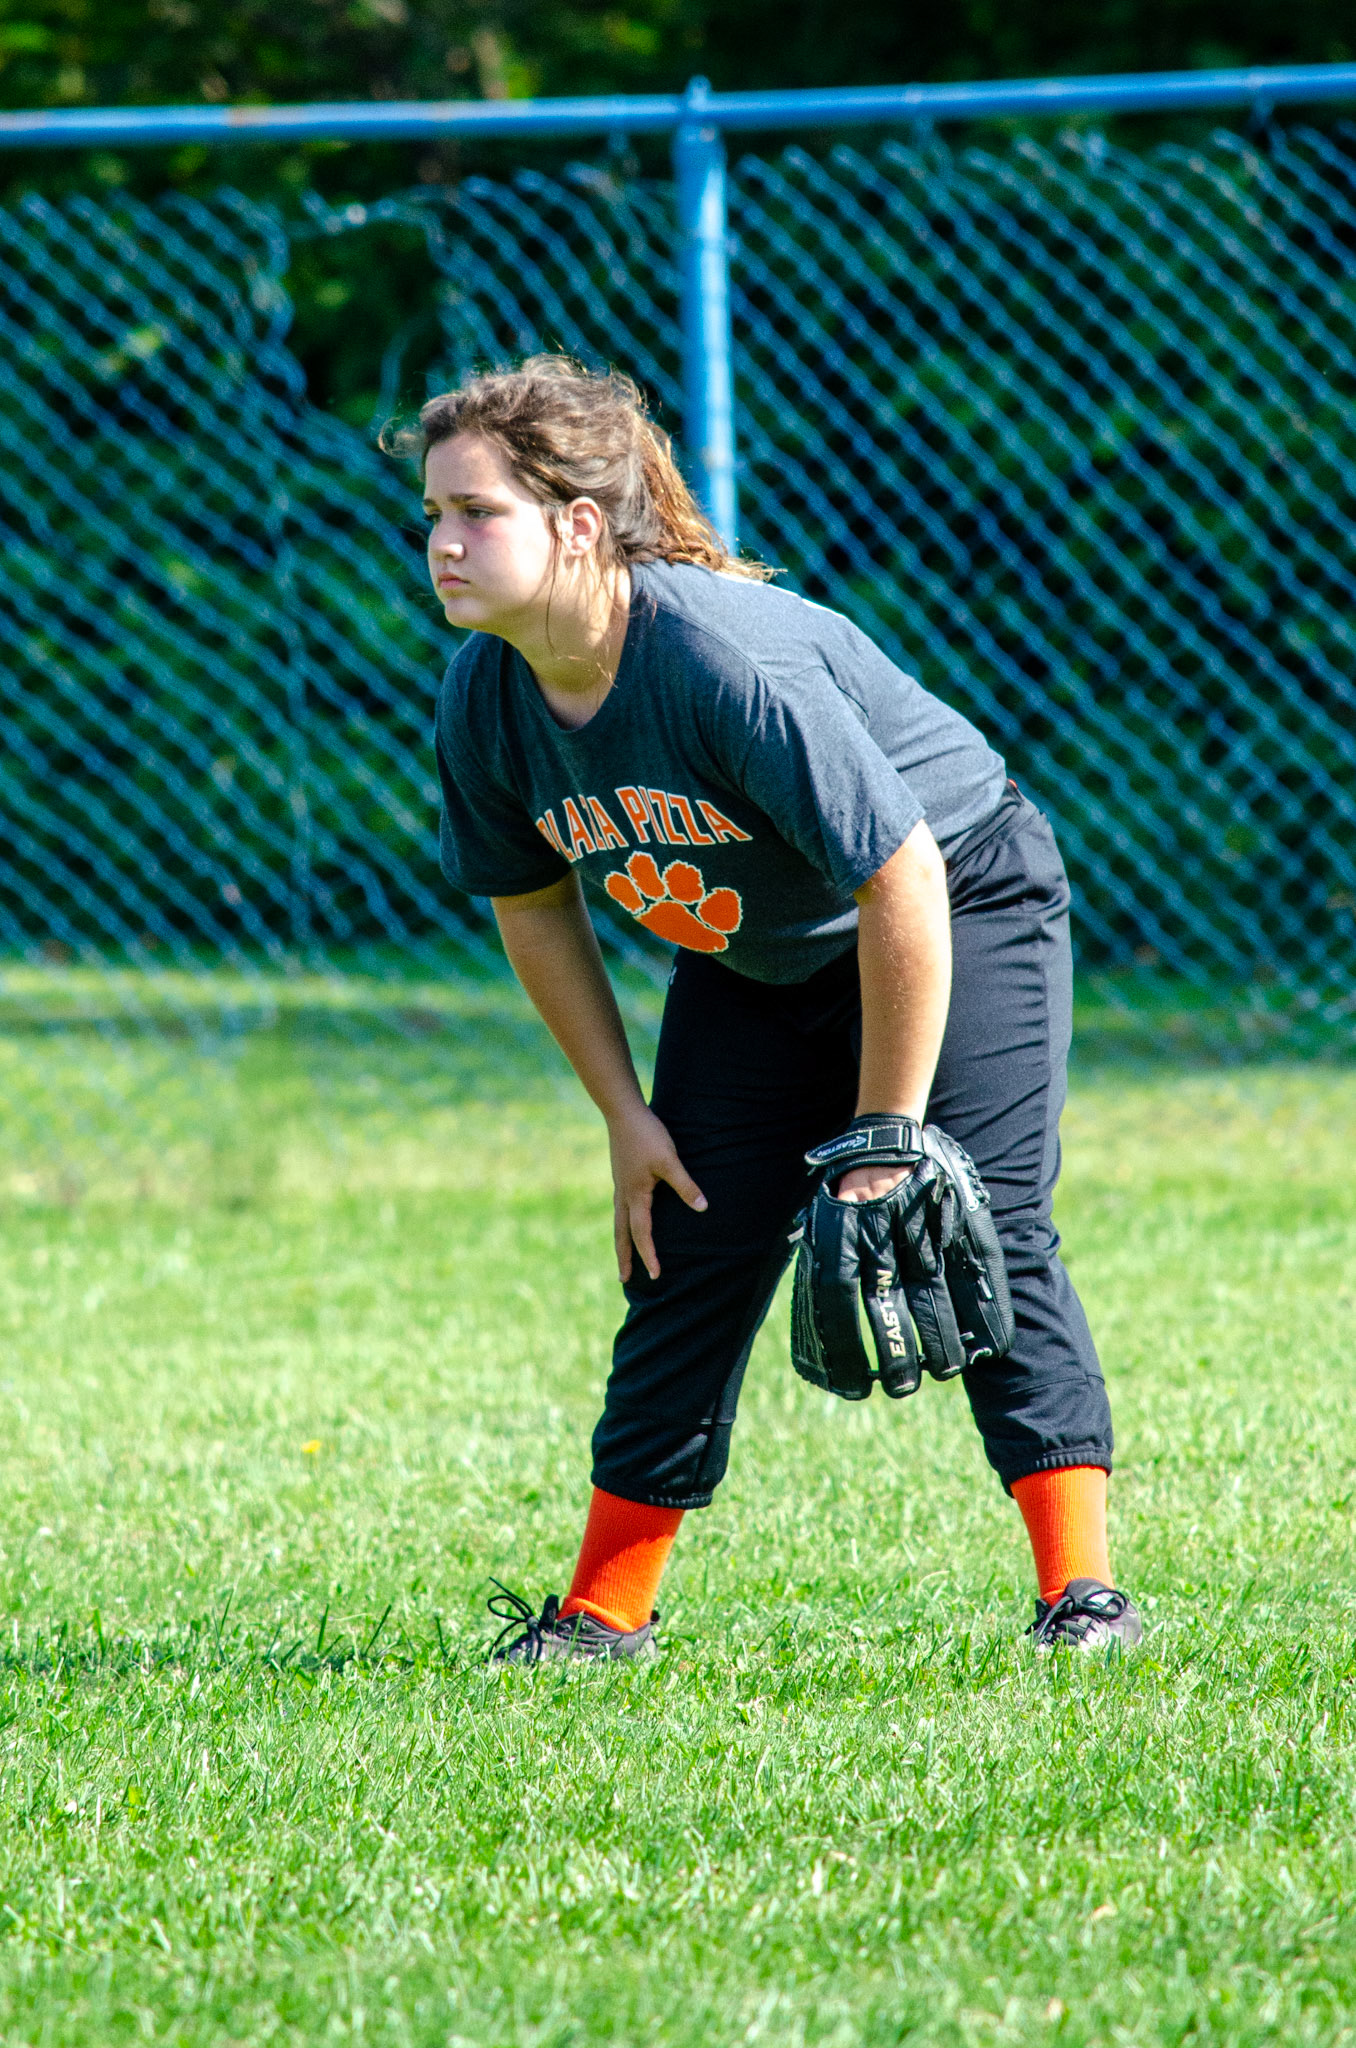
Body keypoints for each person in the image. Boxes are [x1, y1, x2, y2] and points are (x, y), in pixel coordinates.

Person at [396, 354, 1142, 1661]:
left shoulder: (713, 656)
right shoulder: (489, 694)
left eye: (478, 512)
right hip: (755, 959)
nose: (444, 544)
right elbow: (532, 906)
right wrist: (625, 1117)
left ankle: (1082, 1596)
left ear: (579, 526)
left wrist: (888, 1136)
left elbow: (901, 872)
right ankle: (603, 1614)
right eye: (434, 517)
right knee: (684, 1243)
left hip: (956, 900)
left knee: (977, 1220)